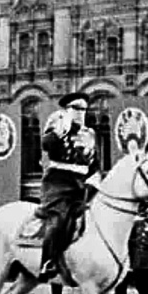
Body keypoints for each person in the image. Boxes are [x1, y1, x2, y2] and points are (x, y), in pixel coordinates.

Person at [38, 92, 100, 282]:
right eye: (76, 108)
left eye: (83, 109)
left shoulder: (89, 133)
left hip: (82, 183)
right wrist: (61, 129)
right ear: (66, 110)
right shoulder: (58, 127)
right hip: (59, 182)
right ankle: (48, 262)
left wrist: (95, 179)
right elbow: (46, 145)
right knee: (59, 219)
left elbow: (94, 161)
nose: (81, 112)